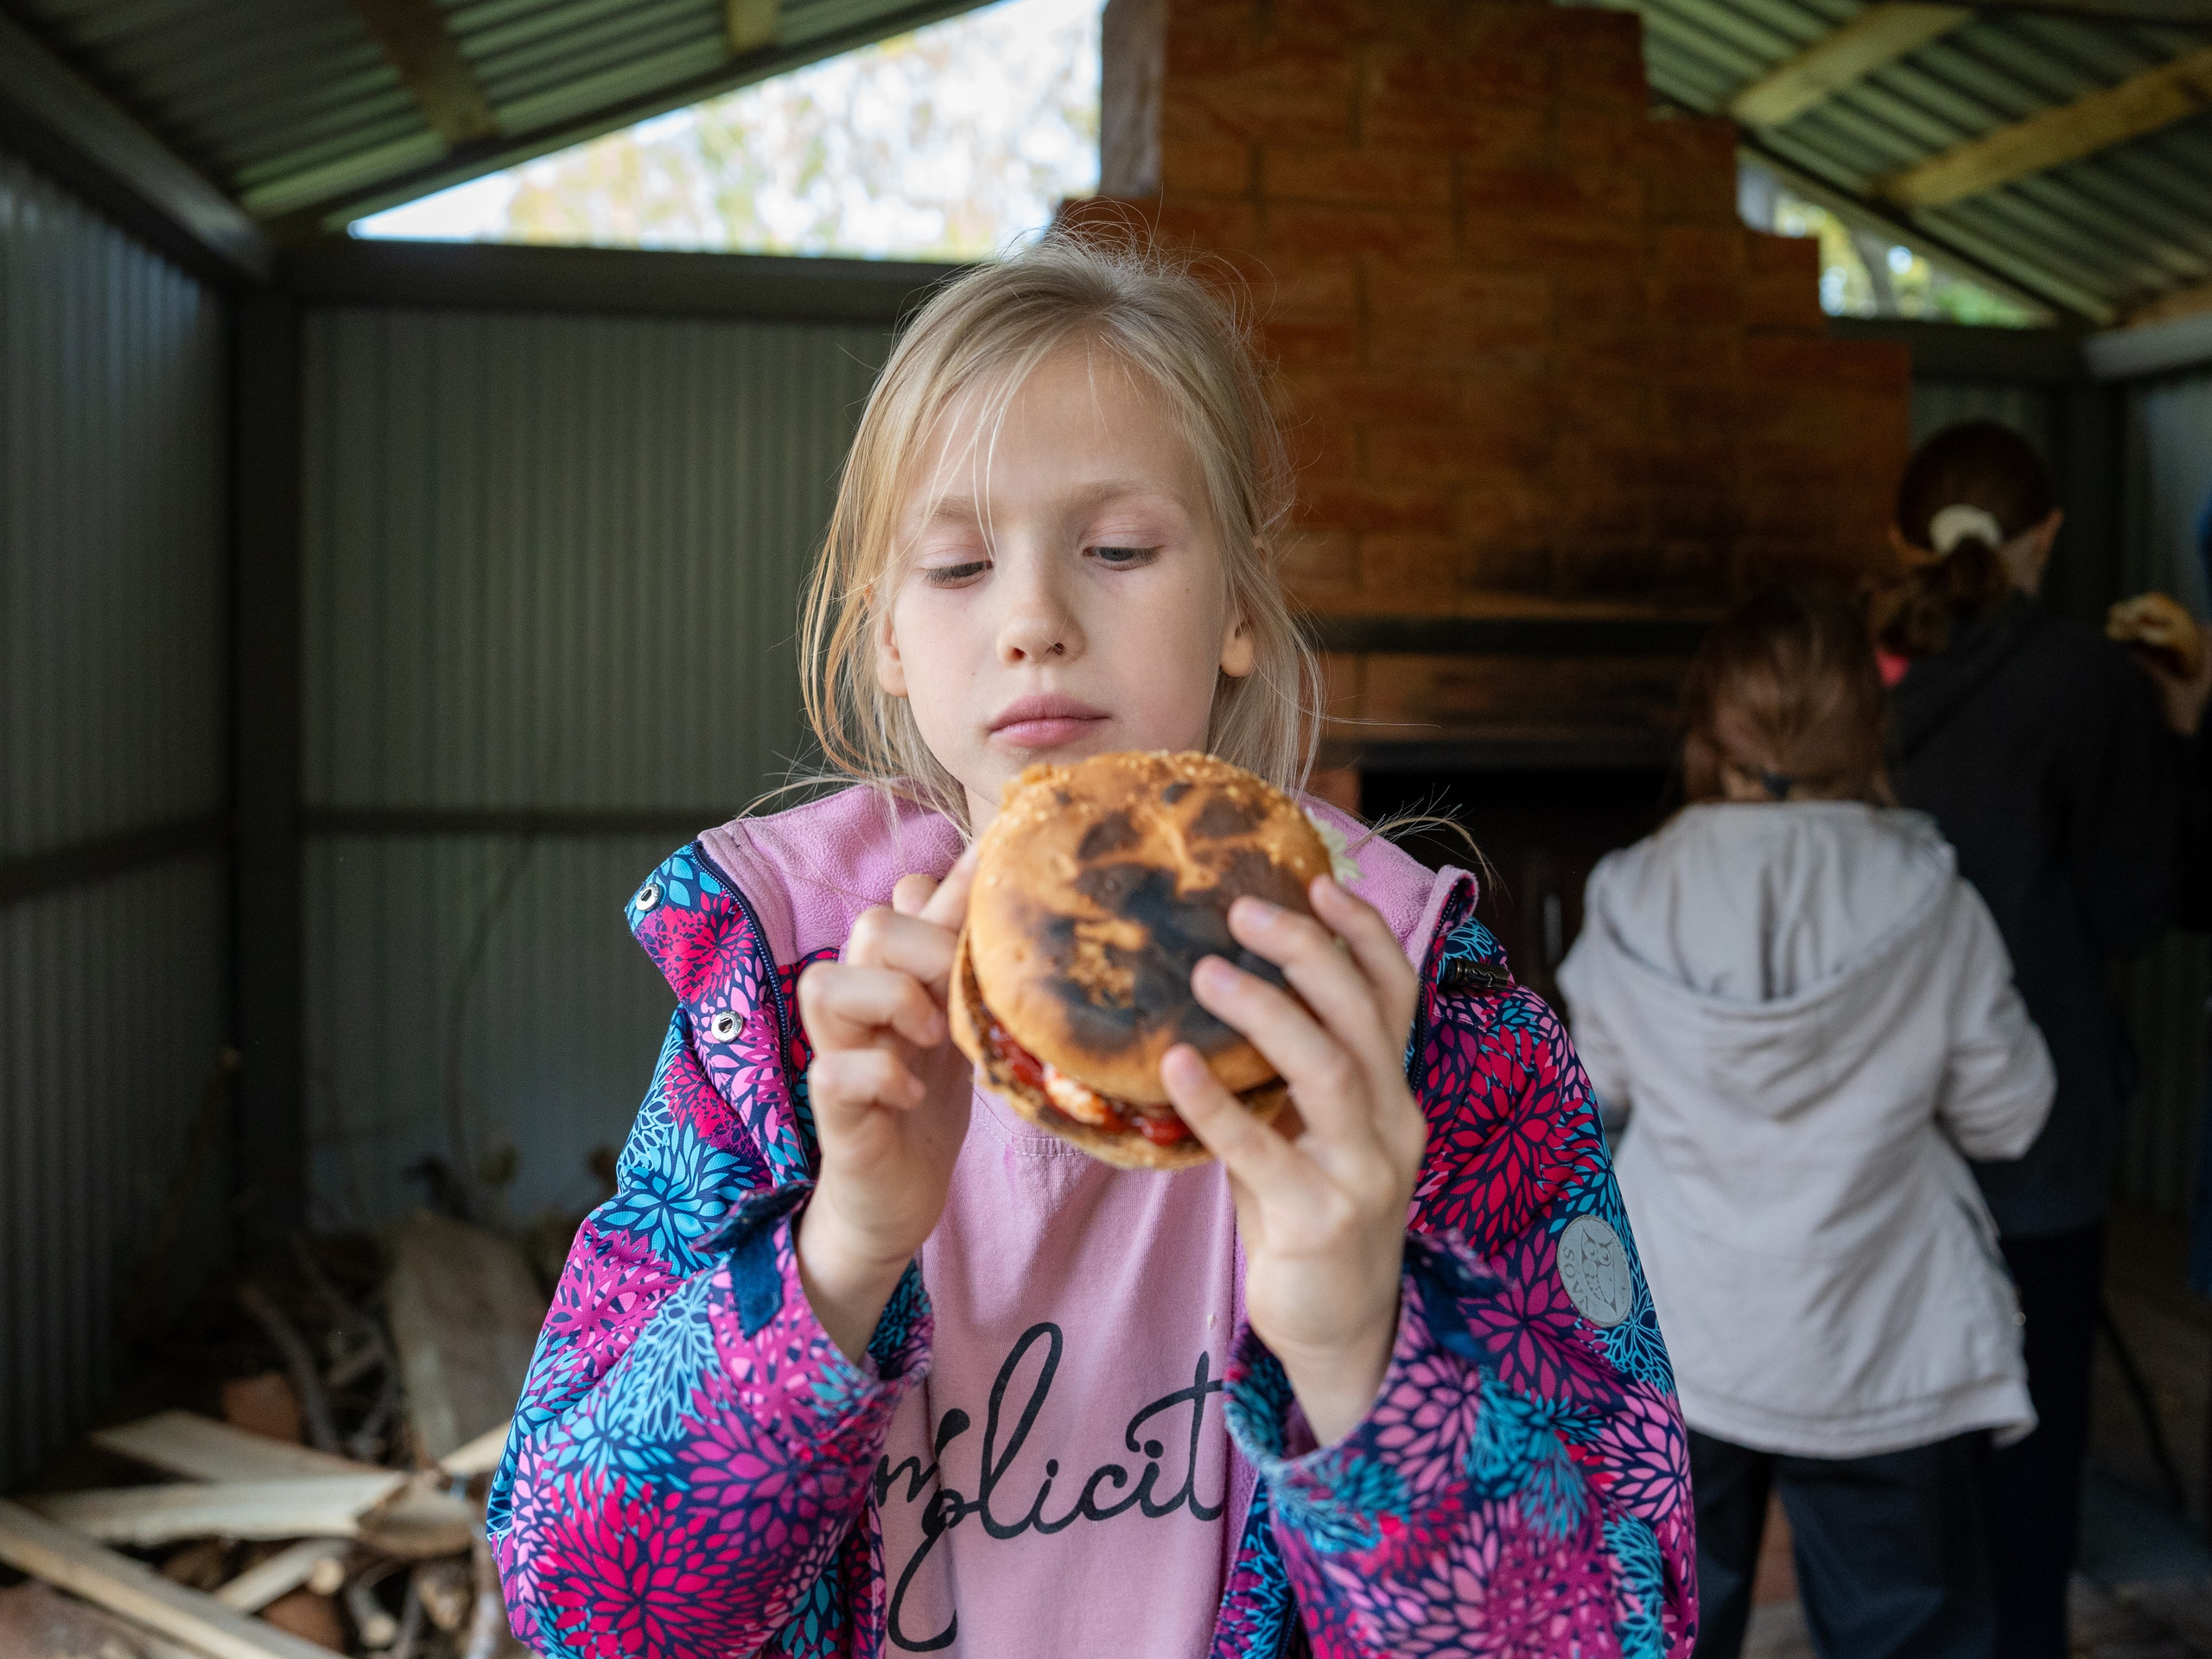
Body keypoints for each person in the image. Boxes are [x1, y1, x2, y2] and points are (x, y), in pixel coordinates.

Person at [484, 235, 1696, 1659]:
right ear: (883, 636)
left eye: (1117, 548)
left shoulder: (1430, 1043)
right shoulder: (783, 1025)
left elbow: (1622, 1625)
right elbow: (577, 1606)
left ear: (1239, 608)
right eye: (956, 564)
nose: (1036, 622)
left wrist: (1360, 1344)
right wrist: (841, 1251)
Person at [1558, 585, 2054, 1659]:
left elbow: (1585, 1100)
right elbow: (2009, 1112)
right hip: (1882, 1342)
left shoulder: (1631, 890)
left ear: (1713, 732)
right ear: (1867, 730)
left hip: (1684, 1331)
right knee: (1907, 1630)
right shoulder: (1933, 895)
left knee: (1665, 1631)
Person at [1878, 421, 2181, 1659]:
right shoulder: (2092, 683)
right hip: (2039, 1146)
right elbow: (2132, 907)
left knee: (1898, 1470)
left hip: (1878, 1139)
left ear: (1901, 543)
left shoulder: (1856, 678)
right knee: (2029, 1452)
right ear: (2045, 535)